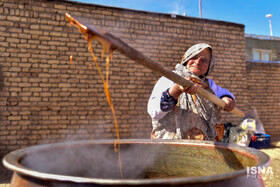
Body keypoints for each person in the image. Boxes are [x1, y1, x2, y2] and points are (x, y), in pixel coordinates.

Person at [147, 43, 235, 140]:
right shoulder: (170, 79)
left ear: (210, 66)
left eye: (204, 60)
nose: (198, 62)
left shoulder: (208, 85)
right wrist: (176, 91)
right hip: (171, 146)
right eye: (194, 57)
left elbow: (222, 93)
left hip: (203, 148)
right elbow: (154, 112)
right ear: (186, 58)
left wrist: (227, 99)